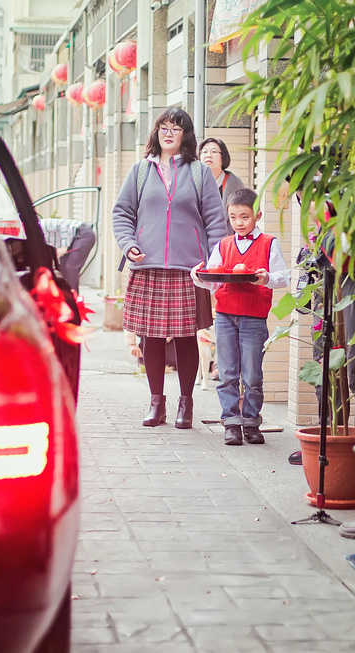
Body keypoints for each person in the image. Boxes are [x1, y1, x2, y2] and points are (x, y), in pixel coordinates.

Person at [112, 108, 228, 429]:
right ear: (156, 133)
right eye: (163, 127)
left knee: (185, 337)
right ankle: (156, 402)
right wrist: (129, 243)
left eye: (175, 129)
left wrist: (213, 263)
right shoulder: (139, 171)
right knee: (150, 336)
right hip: (146, 265)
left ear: (185, 135)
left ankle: (186, 404)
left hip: (187, 268)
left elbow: (215, 222)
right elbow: (122, 213)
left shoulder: (199, 173)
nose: (168, 133)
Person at [190, 188, 290, 445]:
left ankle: (251, 422)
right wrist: (198, 277)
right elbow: (214, 280)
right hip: (225, 316)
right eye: (233, 217)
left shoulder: (269, 243)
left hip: (254, 318)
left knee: (253, 375)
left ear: (257, 215)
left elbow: (283, 277)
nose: (239, 223)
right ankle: (231, 423)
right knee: (227, 373)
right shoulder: (223, 244)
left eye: (244, 217)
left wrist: (266, 277)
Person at [199, 138, 246, 235]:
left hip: (227, 240)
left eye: (214, 151)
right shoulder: (193, 181)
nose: (208, 155)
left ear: (223, 157)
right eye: (204, 152)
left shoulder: (235, 184)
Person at [39, 216, 96, 291]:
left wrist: (64, 245)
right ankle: (66, 295)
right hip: (72, 240)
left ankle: (73, 296)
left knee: (70, 266)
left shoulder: (42, 225)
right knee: (62, 269)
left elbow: (63, 224)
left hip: (82, 233)